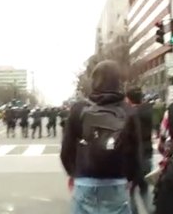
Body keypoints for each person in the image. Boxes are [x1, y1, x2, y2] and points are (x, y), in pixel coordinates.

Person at [60, 60, 142, 214]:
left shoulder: (79, 109)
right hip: (116, 181)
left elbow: (66, 150)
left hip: (84, 181)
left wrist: (74, 173)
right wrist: (130, 179)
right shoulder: (128, 111)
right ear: (118, 82)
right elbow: (136, 153)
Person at [125, 87, 154, 214]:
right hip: (147, 155)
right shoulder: (148, 111)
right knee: (144, 189)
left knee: (129, 193)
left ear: (128, 99)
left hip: (133, 157)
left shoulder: (130, 115)